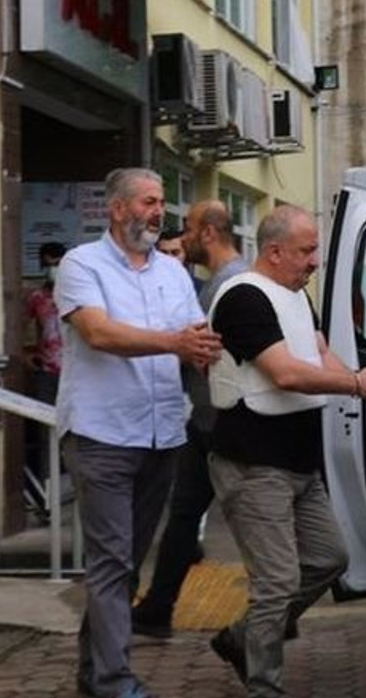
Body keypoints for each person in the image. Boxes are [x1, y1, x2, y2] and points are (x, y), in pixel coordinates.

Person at [206, 204, 366, 697]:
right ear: (274, 252)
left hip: (297, 461)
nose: (315, 261)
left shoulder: (294, 295)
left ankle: (243, 636)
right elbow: (286, 373)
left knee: (330, 559)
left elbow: (317, 353)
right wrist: (354, 384)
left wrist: (364, 381)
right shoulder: (244, 299)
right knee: (276, 582)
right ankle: (263, 686)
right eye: (307, 251)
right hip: (253, 465)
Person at [54, 167, 221, 698]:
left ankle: (92, 670)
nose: (159, 212)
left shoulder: (173, 274)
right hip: (101, 434)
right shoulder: (82, 264)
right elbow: (98, 333)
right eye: (148, 201)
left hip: (162, 434)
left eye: (162, 203)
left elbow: (196, 340)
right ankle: (114, 681)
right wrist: (175, 344)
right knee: (112, 560)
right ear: (118, 209)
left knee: (125, 566)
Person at [130, 199, 248, 638]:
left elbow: (213, 354)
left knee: (251, 523)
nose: (184, 237)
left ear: (210, 234)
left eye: (191, 229)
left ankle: (272, 617)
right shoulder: (216, 281)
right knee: (183, 517)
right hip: (207, 422)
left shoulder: (229, 285)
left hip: (224, 425)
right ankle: (159, 607)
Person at [23, 241, 66, 485]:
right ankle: (47, 485)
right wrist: (28, 356)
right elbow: (21, 328)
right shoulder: (37, 298)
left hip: (76, 372)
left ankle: (69, 483)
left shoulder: (80, 293)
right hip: (47, 371)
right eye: (48, 265)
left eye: (58, 265)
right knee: (44, 431)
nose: (53, 270)